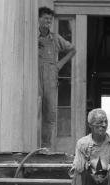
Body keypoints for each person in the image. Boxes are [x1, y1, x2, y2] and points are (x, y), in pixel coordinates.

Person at [38, 7, 76, 148]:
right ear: (38, 19)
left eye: (50, 19)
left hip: (50, 77)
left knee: (50, 113)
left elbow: (73, 49)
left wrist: (59, 64)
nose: (48, 21)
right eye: (45, 18)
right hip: (35, 76)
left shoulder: (55, 38)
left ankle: (45, 147)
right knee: (35, 109)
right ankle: (31, 146)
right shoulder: (33, 38)